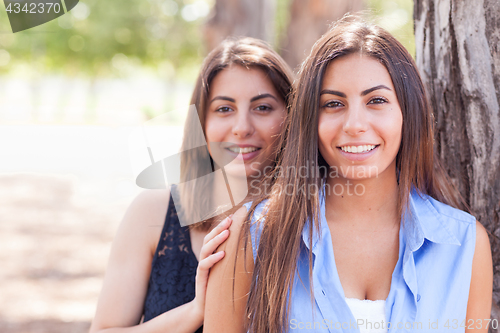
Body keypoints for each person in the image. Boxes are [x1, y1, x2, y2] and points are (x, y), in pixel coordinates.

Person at [204, 16, 493, 333]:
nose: (354, 124)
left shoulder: (465, 243)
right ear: (309, 119)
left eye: (377, 100)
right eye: (333, 103)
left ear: (408, 112)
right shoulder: (251, 236)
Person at [89, 37, 293, 333]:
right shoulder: (153, 212)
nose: (242, 127)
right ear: (201, 122)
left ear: (291, 115)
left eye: (262, 107)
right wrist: (196, 311)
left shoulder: (312, 219)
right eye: (224, 109)